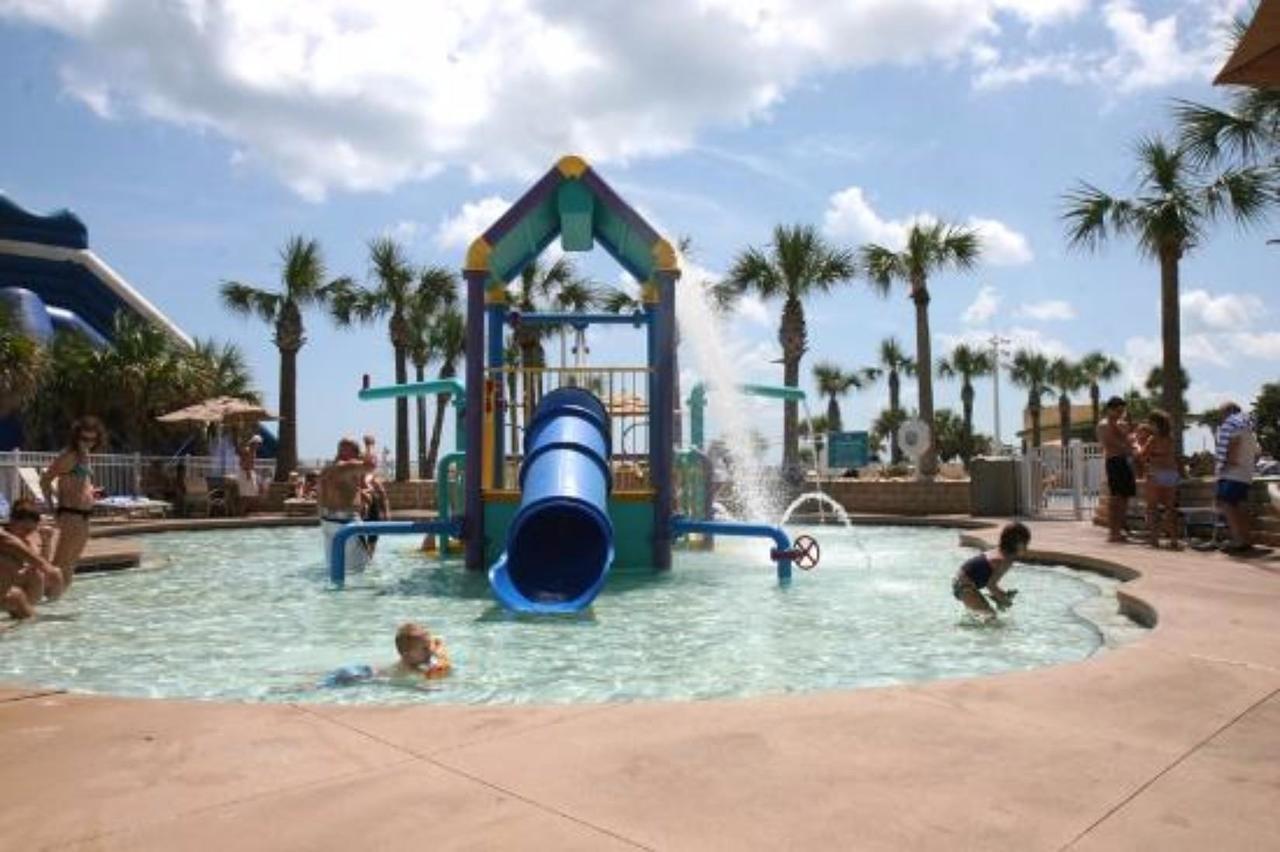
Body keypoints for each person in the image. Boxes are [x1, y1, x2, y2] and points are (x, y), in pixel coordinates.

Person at [39, 416, 105, 590]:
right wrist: (53, 509)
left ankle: (59, 604)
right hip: (71, 515)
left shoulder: (85, 455)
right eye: (84, 439)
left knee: (71, 564)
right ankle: (42, 600)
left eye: (93, 439)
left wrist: (90, 492)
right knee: (60, 564)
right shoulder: (69, 455)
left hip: (84, 516)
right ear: (76, 437)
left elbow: (78, 482)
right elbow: (45, 481)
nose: (88, 443)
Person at [320, 621, 452, 687]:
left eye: (429, 646)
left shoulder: (416, 664)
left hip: (366, 671)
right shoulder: (406, 671)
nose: (430, 651)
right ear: (406, 655)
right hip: (355, 675)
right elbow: (409, 685)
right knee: (319, 686)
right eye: (424, 648)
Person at [0, 499, 65, 619]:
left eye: (30, 530)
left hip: (14, 586)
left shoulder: (26, 542)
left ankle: (51, 606)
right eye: (24, 529)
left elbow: (43, 564)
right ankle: (29, 612)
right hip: (6, 586)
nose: (27, 533)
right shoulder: (5, 539)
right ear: (12, 521)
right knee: (35, 574)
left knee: (54, 572)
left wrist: (46, 542)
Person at [318, 437, 376, 572]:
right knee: (358, 571)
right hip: (346, 524)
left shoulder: (326, 470)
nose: (359, 459)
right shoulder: (346, 466)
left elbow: (331, 496)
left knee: (335, 568)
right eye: (358, 454)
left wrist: (360, 493)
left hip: (327, 523)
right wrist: (370, 444)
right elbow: (371, 465)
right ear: (352, 454)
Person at [952, 522, 1030, 618]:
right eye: (1025, 543)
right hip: (965, 587)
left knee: (986, 616)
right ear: (1018, 544)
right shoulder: (1004, 560)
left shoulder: (997, 551)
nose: (1027, 547)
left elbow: (990, 582)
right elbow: (991, 586)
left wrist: (1001, 595)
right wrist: (1004, 601)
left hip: (960, 583)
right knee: (990, 617)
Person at [1214, 402, 1261, 554]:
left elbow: (1232, 452)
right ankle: (1246, 540)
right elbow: (1257, 454)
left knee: (1227, 505)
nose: (1221, 418)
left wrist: (1224, 465)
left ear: (1229, 413)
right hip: (1245, 475)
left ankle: (1238, 540)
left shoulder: (1234, 429)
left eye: (1222, 414)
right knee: (1240, 508)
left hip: (1232, 475)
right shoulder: (1250, 432)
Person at [1134, 410, 1181, 550]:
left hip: (1155, 473)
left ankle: (1154, 540)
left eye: (1150, 423)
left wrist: (1137, 446)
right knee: (1170, 508)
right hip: (1171, 473)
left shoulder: (1153, 439)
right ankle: (1173, 540)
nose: (1149, 425)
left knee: (1152, 508)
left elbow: (1142, 456)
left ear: (1156, 423)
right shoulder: (1171, 439)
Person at [1097, 397, 1136, 543]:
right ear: (1110, 409)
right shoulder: (1104, 424)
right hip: (1114, 461)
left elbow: (1129, 439)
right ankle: (1113, 533)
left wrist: (1128, 444)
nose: (1121, 414)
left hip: (1125, 462)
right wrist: (1127, 446)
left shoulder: (1121, 424)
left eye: (1122, 411)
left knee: (1125, 497)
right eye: (1118, 410)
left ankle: (1118, 530)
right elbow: (1110, 443)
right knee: (1115, 498)